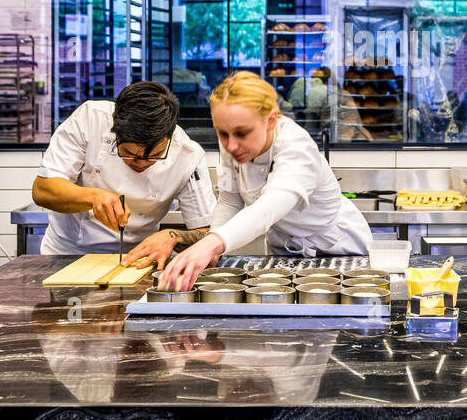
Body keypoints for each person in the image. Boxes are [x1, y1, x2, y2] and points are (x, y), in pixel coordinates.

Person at [158, 72, 373, 291]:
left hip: (337, 251)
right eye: (222, 134)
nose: (231, 146)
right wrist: (214, 251)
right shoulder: (234, 140)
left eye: (242, 133)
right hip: (284, 254)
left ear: (271, 120)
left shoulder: (297, 147)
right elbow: (230, 200)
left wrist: (210, 243)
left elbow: (267, 209)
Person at [32, 81, 216, 267]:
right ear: (114, 124)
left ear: (169, 136)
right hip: (69, 255)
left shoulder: (188, 155)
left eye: (154, 157)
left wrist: (174, 236)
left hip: (138, 261)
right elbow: (42, 190)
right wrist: (93, 196)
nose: (142, 164)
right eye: (129, 154)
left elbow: (208, 231)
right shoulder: (89, 120)